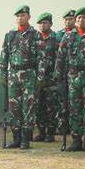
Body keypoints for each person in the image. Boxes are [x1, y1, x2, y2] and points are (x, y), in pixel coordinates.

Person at [0, 5, 45, 149]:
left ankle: (26, 139)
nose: (20, 18)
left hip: (29, 74)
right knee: (14, 107)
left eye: (23, 15)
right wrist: (3, 74)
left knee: (29, 107)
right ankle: (16, 138)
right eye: (18, 16)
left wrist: (40, 77)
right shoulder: (10, 34)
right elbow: (4, 55)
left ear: (29, 17)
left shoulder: (35, 35)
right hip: (13, 74)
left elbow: (41, 58)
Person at [55, 7, 85, 154]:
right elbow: (60, 59)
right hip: (73, 78)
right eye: (78, 18)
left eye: (84, 18)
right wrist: (59, 79)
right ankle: (76, 140)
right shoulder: (68, 36)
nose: (80, 20)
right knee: (74, 109)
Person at [33, 13, 58, 143]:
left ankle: (51, 133)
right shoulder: (34, 38)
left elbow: (60, 59)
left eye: (45, 23)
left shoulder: (56, 39)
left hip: (50, 78)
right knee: (38, 106)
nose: (43, 25)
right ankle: (41, 131)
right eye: (41, 23)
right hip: (36, 78)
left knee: (51, 106)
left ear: (51, 24)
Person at [55, 9, 76, 135]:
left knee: (74, 102)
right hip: (62, 73)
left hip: (75, 73)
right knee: (62, 101)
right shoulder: (58, 35)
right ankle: (63, 126)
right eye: (66, 19)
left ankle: (76, 128)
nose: (68, 22)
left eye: (70, 19)